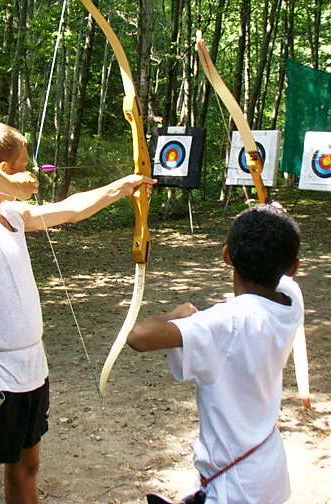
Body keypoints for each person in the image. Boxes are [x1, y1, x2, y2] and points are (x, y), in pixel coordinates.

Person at [0, 119, 155, 504]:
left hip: (30, 369)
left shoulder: (14, 217)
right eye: (25, 163)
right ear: (4, 169)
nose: (33, 173)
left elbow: (70, 209)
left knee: (26, 469)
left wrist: (121, 187)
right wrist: (15, 185)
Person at [127, 204, 304, 504]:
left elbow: (139, 337)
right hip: (266, 472)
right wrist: (274, 222)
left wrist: (177, 314)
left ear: (226, 256)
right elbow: (281, 265)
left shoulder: (225, 323)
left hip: (235, 489)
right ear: (292, 267)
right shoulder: (291, 300)